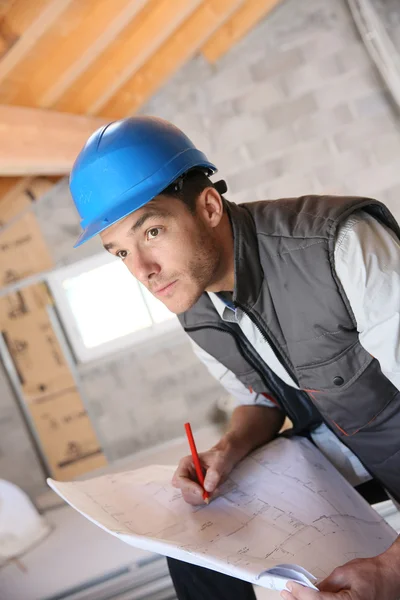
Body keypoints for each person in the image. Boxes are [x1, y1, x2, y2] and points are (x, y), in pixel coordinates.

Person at [69, 116, 400, 600]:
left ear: (207, 207)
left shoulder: (339, 246)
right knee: (196, 530)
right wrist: (227, 451)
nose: (143, 270)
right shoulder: (194, 300)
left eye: (153, 231)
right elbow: (261, 399)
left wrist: (393, 567)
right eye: (120, 253)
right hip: (352, 446)